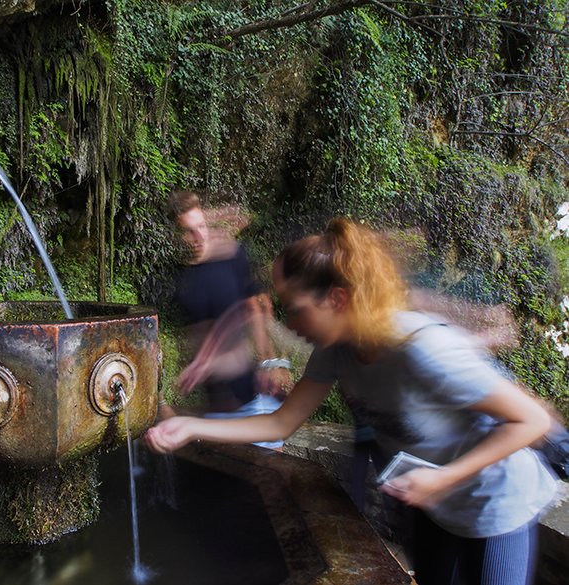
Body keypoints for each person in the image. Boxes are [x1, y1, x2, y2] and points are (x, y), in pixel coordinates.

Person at [145, 217, 558, 585]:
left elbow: (531, 421)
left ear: (338, 300)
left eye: (295, 308)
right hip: (439, 506)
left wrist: (442, 478)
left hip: (497, 502)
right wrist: (190, 426)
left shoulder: (420, 348)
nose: (288, 323)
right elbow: (280, 423)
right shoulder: (336, 350)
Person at [160, 191, 290, 448]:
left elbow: (258, 308)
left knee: (274, 475)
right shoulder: (183, 282)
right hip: (215, 405)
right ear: (174, 236)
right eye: (189, 231)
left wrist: (272, 362)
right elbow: (199, 336)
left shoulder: (232, 255)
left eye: (201, 226)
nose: (199, 236)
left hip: (251, 397)